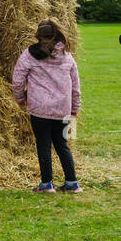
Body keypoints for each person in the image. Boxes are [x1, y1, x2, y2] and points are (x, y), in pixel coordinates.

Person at [11, 19, 82, 193]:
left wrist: (20, 99)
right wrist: (75, 108)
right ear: (57, 34)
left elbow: (18, 79)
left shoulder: (29, 54)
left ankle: (46, 184)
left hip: (39, 109)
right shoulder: (67, 56)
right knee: (62, 144)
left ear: (38, 35)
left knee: (43, 145)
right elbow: (75, 85)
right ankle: (72, 183)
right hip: (63, 110)